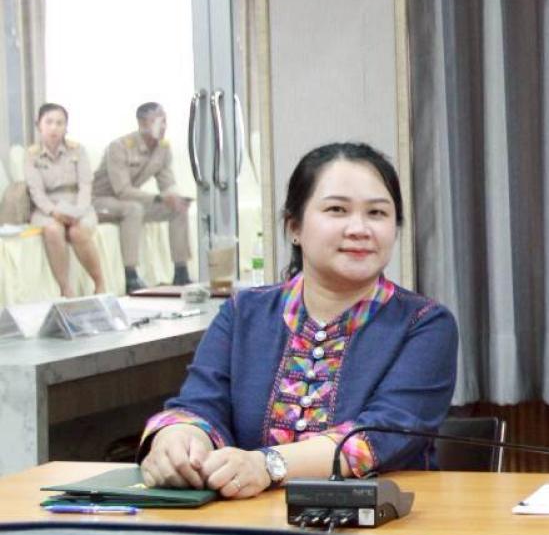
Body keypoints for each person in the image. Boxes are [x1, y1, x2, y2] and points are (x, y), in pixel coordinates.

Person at [138, 142, 458, 498]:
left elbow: (382, 435)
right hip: (248, 520)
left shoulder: (424, 323)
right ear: (294, 226)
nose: (359, 228)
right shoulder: (243, 312)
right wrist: (178, 438)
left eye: (377, 213)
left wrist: (267, 465)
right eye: (337, 209)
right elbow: (199, 404)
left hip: (382, 521)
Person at [93, 102, 193, 291]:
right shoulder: (119, 147)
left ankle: (181, 271)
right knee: (134, 209)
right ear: (142, 124)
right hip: (101, 200)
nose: (163, 126)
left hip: (131, 200)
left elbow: (167, 183)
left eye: (165, 121)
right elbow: (122, 190)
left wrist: (175, 197)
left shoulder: (163, 147)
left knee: (178, 208)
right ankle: (130, 275)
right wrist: (160, 198)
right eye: (157, 121)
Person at [23, 103, 107, 296]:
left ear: (66, 127)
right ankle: (65, 289)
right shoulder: (31, 155)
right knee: (53, 230)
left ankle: (99, 283)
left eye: (59, 123)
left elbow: (85, 185)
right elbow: (36, 192)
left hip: (77, 203)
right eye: (49, 122)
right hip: (47, 208)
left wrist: (78, 211)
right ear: (39, 125)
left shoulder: (77, 150)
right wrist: (54, 212)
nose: (54, 128)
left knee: (78, 231)